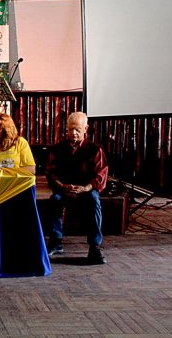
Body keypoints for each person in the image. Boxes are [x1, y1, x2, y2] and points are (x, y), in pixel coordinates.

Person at [45, 112, 108, 265]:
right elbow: (50, 173)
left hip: (86, 190)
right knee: (55, 200)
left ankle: (95, 246)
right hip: (64, 189)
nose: (73, 133)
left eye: (78, 130)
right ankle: (56, 241)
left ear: (85, 129)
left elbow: (101, 175)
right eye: (70, 129)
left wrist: (85, 188)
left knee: (94, 200)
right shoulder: (57, 149)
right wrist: (62, 186)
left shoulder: (95, 149)